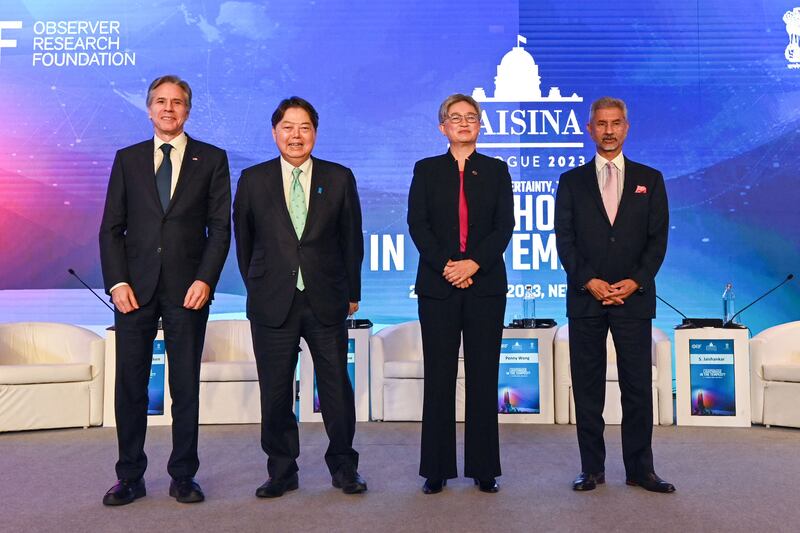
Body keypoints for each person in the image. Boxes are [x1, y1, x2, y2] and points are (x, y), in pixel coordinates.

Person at [99, 75, 231, 505]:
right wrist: (117, 282)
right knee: (131, 386)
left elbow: (220, 229)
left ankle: (183, 476)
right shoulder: (128, 159)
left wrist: (206, 279)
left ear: (188, 110)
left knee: (185, 385)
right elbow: (111, 229)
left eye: (177, 102)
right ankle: (130, 476)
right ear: (149, 108)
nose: (168, 109)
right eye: (160, 101)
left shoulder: (211, 159)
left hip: (187, 289)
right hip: (133, 291)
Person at [233, 97, 366, 498]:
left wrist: (353, 293)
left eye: (304, 127)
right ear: (275, 132)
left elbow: (351, 240)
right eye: (288, 127)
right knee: (275, 390)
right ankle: (281, 470)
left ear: (315, 133)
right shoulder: (253, 180)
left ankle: (344, 466)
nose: (296, 135)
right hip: (272, 301)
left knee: (335, 388)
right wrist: (258, 287)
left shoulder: (339, 177)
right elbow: (245, 242)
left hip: (326, 299)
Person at [554, 96, 674, 493]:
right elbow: (565, 241)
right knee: (587, 387)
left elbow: (657, 242)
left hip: (633, 300)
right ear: (590, 130)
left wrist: (636, 281)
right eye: (601, 124)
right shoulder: (571, 182)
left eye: (616, 123)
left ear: (626, 127)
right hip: (586, 299)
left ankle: (641, 469)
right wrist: (589, 280)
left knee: (637, 387)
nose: (608, 130)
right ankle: (592, 469)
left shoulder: (650, 179)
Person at [407, 94, 514, 494]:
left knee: (484, 377)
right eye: (456, 118)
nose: (464, 123)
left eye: (471, 117)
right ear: (443, 128)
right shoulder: (427, 169)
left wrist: (473, 265)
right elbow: (418, 224)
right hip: (439, 286)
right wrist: (449, 265)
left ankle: (484, 469)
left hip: (485, 287)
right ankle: (436, 469)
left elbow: (504, 226)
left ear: (480, 126)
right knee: (439, 377)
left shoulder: (496, 170)